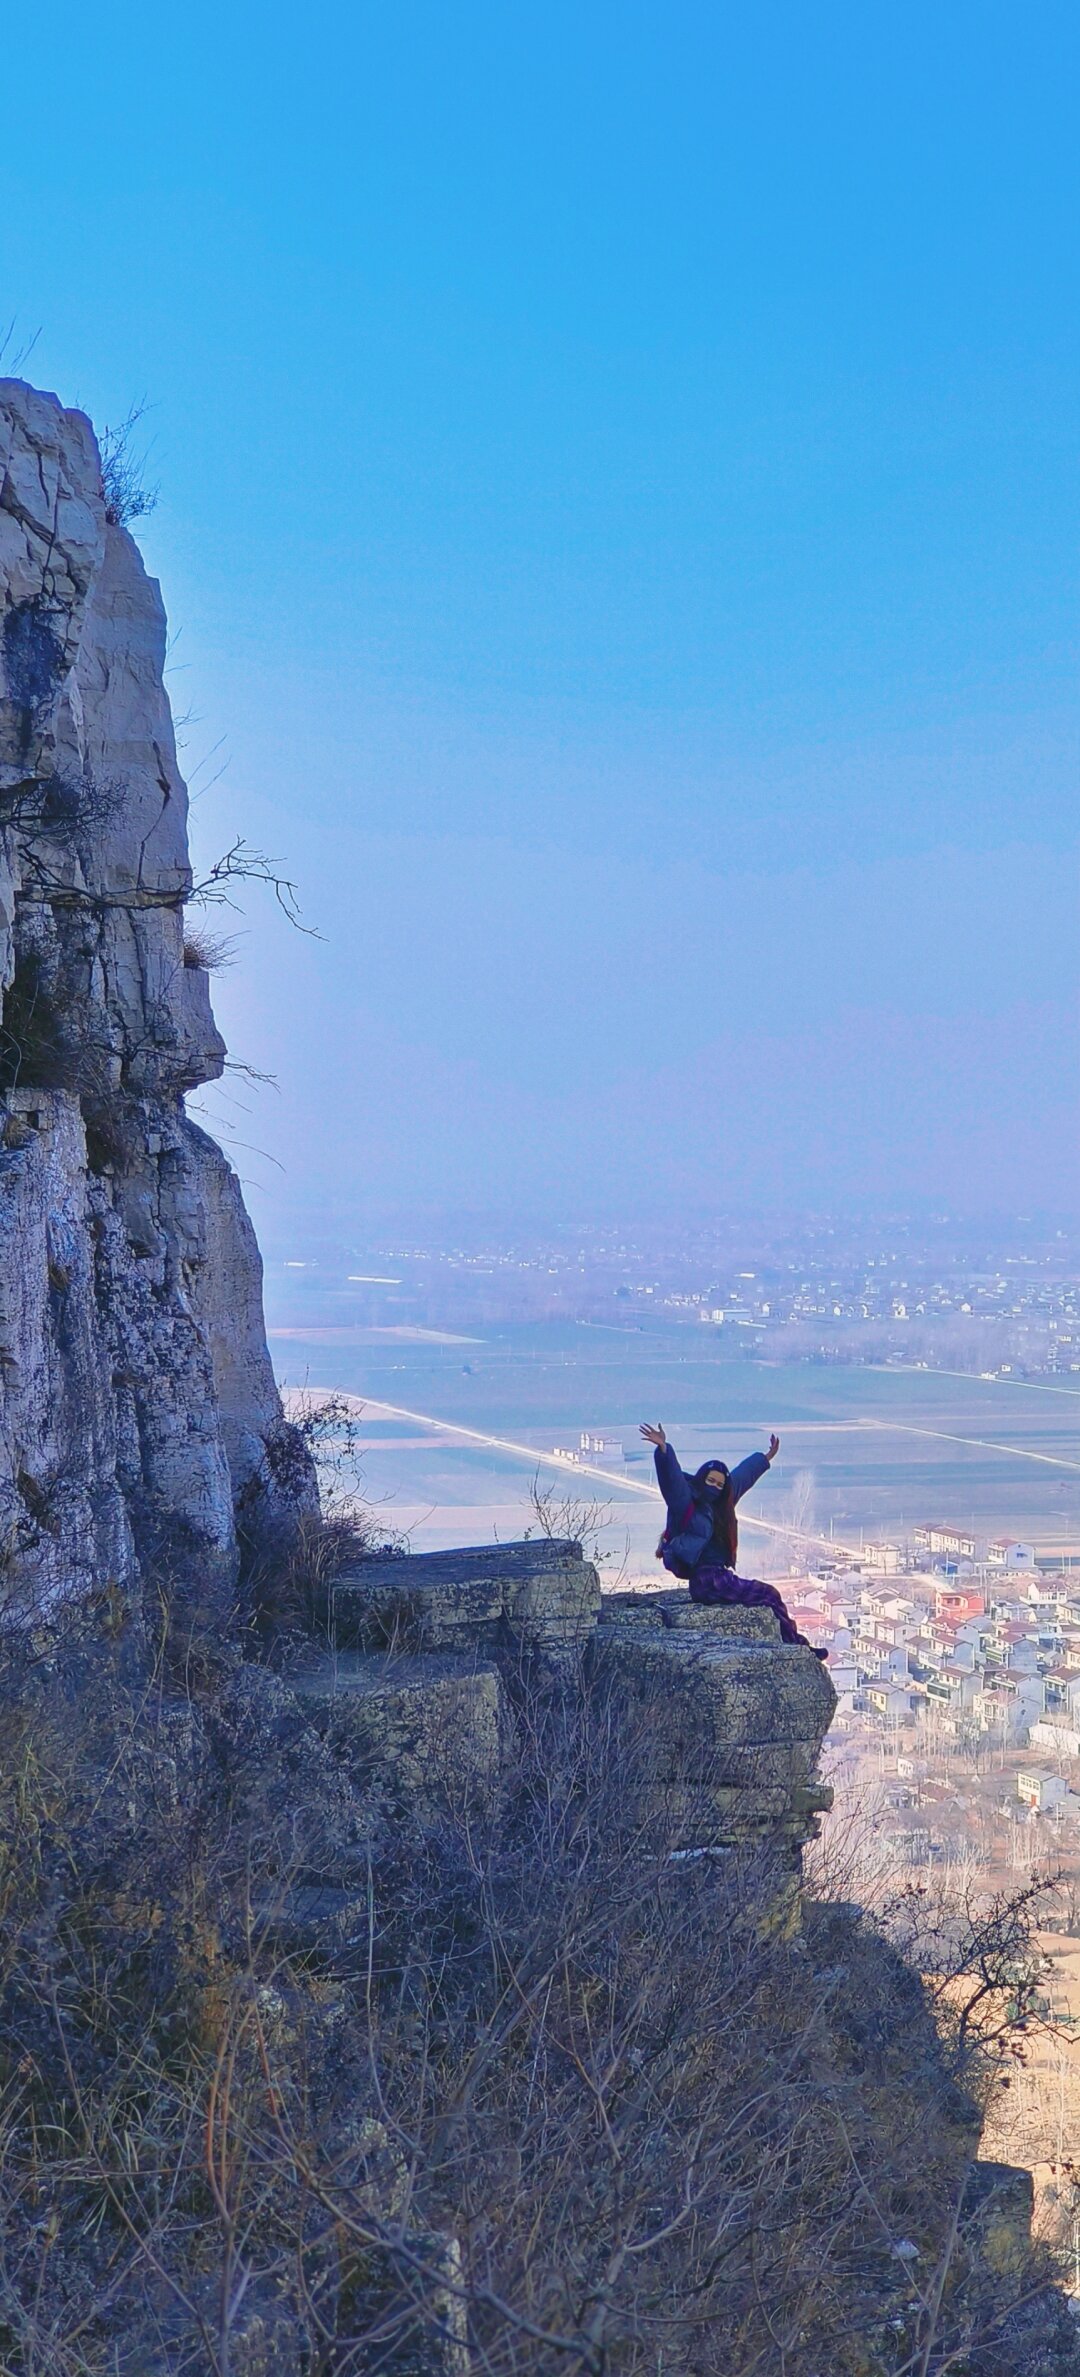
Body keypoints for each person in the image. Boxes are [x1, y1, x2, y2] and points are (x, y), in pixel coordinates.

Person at [639, 1422, 827, 1656]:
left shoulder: (723, 1504)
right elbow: (672, 1481)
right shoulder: (687, 1503)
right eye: (710, 1481)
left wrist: (765, 1458)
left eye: (719, 1484)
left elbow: (742, 1477)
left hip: (718, 1577)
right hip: (707, 1580)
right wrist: (664, 1450)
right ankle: (798, 1647)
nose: (715, 1487)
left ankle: (798, 1645)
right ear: (701, 1479)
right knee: (768, 1595)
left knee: (768, 1595)